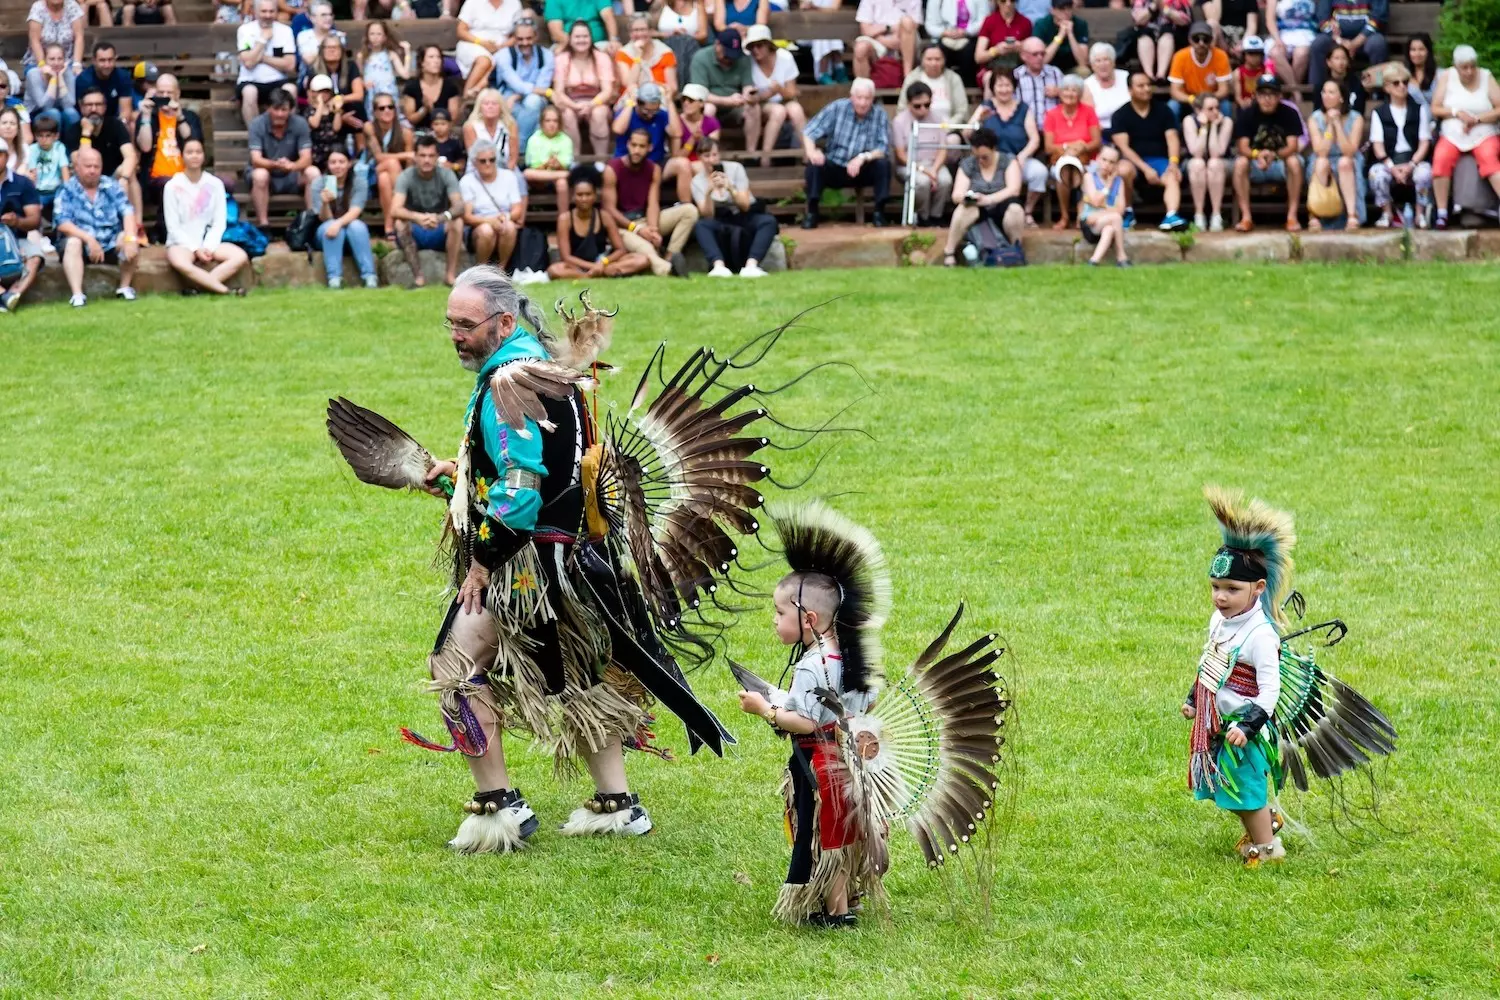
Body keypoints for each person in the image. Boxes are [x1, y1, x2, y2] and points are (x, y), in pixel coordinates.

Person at [733, 508, 883, 928]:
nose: (775, 620)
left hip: (818, 766)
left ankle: (836, 911)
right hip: (852, 763)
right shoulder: (853, 658)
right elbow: (862, 707)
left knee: (824, 834)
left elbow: (806, 723)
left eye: (780, 613)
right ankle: (849, 897)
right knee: (845, 830)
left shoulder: (810, 666)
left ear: (809, 619)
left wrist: (766, 709)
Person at [602, 128, 697, 276]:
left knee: (689, 211)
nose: (636, 150)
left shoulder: (654, 169)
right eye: (633, 145)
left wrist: (653, 230)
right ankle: (669, 270)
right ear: (627, 145)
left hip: (645, 220)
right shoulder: (613, 168)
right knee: (646, 249)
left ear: (649, 148)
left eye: (641, 146)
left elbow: (653, 203)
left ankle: (671, 257)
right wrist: (637, 229)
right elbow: (609, 209)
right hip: (622, 227)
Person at [800, 77, 891, 229]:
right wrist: (812, 152)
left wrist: (863, 157)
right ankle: (812, 213)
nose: (862, 103)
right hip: (835, 165)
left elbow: (883, 148)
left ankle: (879, 213)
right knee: (814, 165)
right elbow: (809, 131)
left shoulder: (879, 114)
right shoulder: (837, 108)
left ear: (872, 99)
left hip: (862, 169)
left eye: (867, 98)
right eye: (859, 98)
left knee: (883, 165)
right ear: (851, 96)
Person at [162, 137, 248, 297]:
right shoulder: (172, 186)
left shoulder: (215, 184)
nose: (194, 156)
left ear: (203, 155)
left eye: (198, 152)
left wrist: (207, 246)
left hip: (210, 241)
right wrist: (195, 248)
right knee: (181, 263)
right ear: (182, 155)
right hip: (181, 242)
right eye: (189, 152)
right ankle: (226, 291)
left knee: (239, 256)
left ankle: (199, 288)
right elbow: (173, 227)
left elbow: (219, 222)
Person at [54, 145, 137, 307]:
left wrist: (130, 237)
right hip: (81, 242)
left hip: (109, 240)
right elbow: (62, 222)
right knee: (73, 242)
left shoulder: (111, 185)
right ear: (77, 167)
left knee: (128, 237)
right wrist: (89, 239)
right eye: (87, 166)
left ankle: (124, 287)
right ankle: (77, 295)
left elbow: (127, 211)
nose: (92, 170)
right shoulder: (67, 189)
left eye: (96, 166)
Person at [1430, 46, 1500, 231]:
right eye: (1464, 67)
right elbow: (1435, 108)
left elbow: (1499, 108)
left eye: (1472, 66)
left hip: (1483, 131)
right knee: (1441, 158)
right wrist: (1456, 112)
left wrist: (1477, 119)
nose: (1469, 71)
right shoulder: (1447, 76)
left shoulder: (1486, 76)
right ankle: (1442, 213)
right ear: (1456, 66)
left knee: (1489, 159)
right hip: (1453, 133)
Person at [970, 68, 1048, 226]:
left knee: (1039, 172)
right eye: (1000, 86)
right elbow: (967, 134)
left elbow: (1034, 139)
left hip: (1019, 158)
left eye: (1007, 85)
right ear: (993, 88)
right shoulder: (986, 106)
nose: (1004, 90)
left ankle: (1027, 211)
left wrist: (1023, 156)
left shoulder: (1024, 109)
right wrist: (978, 120)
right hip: (992, 161)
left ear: (1014, 87)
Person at [1111, 71, 1187, 231]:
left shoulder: (1164, 110)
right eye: (1141, 86)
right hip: (1133, 161)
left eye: (1148, 85)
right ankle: (1127, 212)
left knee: (1172, 174)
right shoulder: (1120, 115)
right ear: (1130, 90)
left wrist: (1173, 162)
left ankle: (1171, 215)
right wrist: (1146, 169)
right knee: (1123, 170)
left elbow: (1172, 138)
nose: (1146, 89)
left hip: (1159, 159)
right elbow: (1124, 147)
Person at [691, 135, 775, 277]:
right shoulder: (697, 181)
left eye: (715, 154)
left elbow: (745, 205)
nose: (712, 159)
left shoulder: (735, 168)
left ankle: (751, 266)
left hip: (743, 214)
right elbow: (707, 215)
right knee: (701, 226)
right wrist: (709, 191)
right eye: (707, 156)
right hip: (720, 217)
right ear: (699, 158)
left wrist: (730, 188)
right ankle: (718, 267)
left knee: (768, 221)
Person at [136, 74, 204, 244]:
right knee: (169, 185)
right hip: (155, 180)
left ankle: (163, 231)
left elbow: (193, 143)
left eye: (169, 92)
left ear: (177, 94)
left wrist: (179, 117)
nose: (165, 96)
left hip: (187, 176)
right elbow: (144, 147)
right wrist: (144, 117)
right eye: (161, 92)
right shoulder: (148, 117)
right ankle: (168, 233)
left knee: (177, 184)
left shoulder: (189, 117)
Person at [64, 88, 141, 238]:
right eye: (89, 105)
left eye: (98, 104)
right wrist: (86, 133)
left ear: (105, 107)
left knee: (130, 173)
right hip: (88, 180)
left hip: (113, 178)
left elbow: (131, 156)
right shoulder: (74, 130)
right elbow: (79, 162)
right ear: (81, 107)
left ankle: (137, 227)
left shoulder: (116, 125)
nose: (94, 109)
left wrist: (124, 178)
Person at [549, 163, 650, 277]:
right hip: (577, 266)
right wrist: (592, 267)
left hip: (603, 263)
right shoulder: (565, 219)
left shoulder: (604, 216)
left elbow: (620, 249)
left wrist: (603, 263)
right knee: (555, 269)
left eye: (588, 194)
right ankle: (588, 276)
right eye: (580, 195)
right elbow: (565, 257)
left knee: (641, 259)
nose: (584, 199)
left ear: (595, 195)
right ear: (573, 196)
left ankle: (602, 273)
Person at [1232, 74, 1304, 231]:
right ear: (1256, 96)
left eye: (1272, 94)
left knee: (1295, 161)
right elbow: (1243, 147)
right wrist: (1258, 154)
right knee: (1240, 163)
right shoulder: (1247, 114)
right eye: (1263, 94)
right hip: (1255, 162)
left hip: (1281, 161)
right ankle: (1246, 217)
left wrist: (1274, 155)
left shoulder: (1289, 113)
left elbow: (1293, 146)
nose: (1267, 99)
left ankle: (1292, 217)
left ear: (1279, 96)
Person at [942, 127, 1023, 266]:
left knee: (1015, 210)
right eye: (977, 156)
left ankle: (1015, 250)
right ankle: (949, 252)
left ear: (994, 149)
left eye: (984, 157)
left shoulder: (1008, 160)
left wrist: (989, 199)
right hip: (977, 211)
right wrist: (969, 198)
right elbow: (956, 194)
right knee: (963, 210)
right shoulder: (968, 164)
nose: (980, 160)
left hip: (1001, 207)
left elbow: (1014, 189)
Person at [392, 133, 464, 287]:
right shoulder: (405, 176)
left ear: (437, 157)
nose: (426, 160)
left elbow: (459, 205)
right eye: (422, 155)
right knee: (399, 223)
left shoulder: (447, 174)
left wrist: (440, 218)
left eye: (431, 156)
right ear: (415, 157)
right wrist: (417, 217)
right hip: (415, 227)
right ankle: (418, 278)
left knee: (457, 223)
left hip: (439, 225)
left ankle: (450, 276)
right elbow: (395, 209)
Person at [1368, 64, 1433, 229]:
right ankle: (1387, 213)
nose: (1402, 86)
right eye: (1396, 83)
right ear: (1387, 87)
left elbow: (1424, 142)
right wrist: (1392, 167)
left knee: (1424, 173)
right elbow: (1378, 146)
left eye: (1405, 82)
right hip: (1390, 160)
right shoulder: (1379, 113)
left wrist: (1411, 165)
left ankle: (1420, 214)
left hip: (1413, 159)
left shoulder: (1419, 110)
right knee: (1377, 174)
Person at [247, 88, 318, 229]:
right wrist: (275, 164)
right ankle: (264, 224)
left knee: (313, 172)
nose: (280, 114)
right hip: (266, 173)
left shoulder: (300, 123)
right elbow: (256, 159)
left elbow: (307, 158)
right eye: (276, 109)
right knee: (260, 175)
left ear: (291, 110)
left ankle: (311, 222)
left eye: (284, 110)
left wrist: (292, 166)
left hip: (292, 173)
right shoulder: (257, 124)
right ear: (268, 108)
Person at [310, 147, 378, 288]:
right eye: (333, 162)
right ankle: (334, 279)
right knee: (332, 229)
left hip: (350, 226)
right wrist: (325, 203)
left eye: (341, 162)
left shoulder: (359, 182)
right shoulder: (319, 183)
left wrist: (338, 223)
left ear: (349, 164)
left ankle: (370, 276)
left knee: (357, 226)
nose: (337, 166)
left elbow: (355, 211)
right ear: (328, 165)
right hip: (325, 229)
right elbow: (324, 219)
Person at [890, 82, 955, 225]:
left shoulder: (937, 118)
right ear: (908, 104)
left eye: (927, 104)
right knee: (922, 182)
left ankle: (935, 216)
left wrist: (934, 169)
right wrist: (924, 170)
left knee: (945, 181)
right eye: (917, 106)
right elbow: (900, 155)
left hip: (934, 163)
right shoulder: (899, 121)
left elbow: (942, 148)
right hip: (911, 165)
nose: (923, 109)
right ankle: (922, 216)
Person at [689, 31, 762, 155]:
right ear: (717, 45)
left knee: (754, 108)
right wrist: (727, 101)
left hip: (735, 106)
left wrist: (749, 96)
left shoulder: (743, 59)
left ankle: (751, 154)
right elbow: (699, 93)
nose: (730, 59)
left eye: (733, 55)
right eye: (727, 55)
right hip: (711, 102)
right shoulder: (701, 58)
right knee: (708, 109)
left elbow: (747, 86)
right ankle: (708, 153)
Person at [1041, 73, 1098, 230]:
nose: (1070, 93)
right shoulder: (1051, 114)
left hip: (1087, 160)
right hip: (1060, 159)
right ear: (1059, 92)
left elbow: (1096, 142)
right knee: (1065, 170)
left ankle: (1082, 215)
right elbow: (1048, 146)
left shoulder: (1089, 112)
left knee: (1084, 173)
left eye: (1074, 90)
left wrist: (1082, 147)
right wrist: (1069, 148)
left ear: (1079, 94)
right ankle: (1065, 216)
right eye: (1066, 89)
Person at [554, 20, 617, 158]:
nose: (581, 40)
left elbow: (607, 91)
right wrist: (575, 106)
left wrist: (591, 105)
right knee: (567, 114)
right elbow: (558, 91)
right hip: (570, 102)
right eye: (577, 37)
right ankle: (575, 159)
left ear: (591, 38)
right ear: (570, 39)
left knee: (598, 114)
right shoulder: (562, 59)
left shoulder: (601, 57)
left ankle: (601, 159)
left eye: (585, 36)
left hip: (597, 101)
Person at [1305, 78, 1363, 229]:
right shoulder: (1315, 118)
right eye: (1324, 92)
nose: (1325, 96)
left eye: (1331, 92)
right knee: (1321, 163)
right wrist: (1330, 127)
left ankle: (1352, 215)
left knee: (1345, 162)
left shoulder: (1356, 118)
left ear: (1342, 97)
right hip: (1323, 157)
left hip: (1347, 159)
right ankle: (1316, 214)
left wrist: (1338, 124)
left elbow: (1349, 151)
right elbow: (1321, 151)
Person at [746, 24, 805, 169]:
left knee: (796, 109)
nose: (755, 50)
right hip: (760, 105)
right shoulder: (748, 62)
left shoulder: (785, 57)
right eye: (752, 46)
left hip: (784, 99)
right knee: (778, 111)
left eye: (759, 46)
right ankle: (766, 158)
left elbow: (792, 92)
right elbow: (750, 95)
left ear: (768, 45)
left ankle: (807, 154)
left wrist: (779, 89)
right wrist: (767, 95)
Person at [460, 138, 525, 269]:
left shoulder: (509, 177)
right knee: (486, 231)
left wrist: (505, 218)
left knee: (510, 227)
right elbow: (467, 216)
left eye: (492, 160)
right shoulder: (467, 181)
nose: (488, 164)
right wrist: (489, 221)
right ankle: (481, 269)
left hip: (503, 219)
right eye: (483, 161)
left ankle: (501, 269)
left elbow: (518, 209)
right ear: (474, 163)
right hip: (479, 224)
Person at [0, 138, 46, 314]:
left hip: (17, 238)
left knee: (36, 256)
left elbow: (35, 220)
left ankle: (13, 294)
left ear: (6, 156)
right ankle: (3, 295)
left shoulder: (23, 183)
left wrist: (17, 221)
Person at [494, 18, 553, 150]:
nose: (525, 43)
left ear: (536, 37)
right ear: (514, 38)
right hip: (506, 94)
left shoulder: (547, 55)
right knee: (529, 114)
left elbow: (542, 85)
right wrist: (517, 95)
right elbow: (516, 84)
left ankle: (519, 149)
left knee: (533, 102)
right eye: (520, 39)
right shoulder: (504, 55)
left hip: (528, 97)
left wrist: (517, 96)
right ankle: (528, 150)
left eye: (529, 38)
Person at [238, 0, 298, 128]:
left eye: (271, 11)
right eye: (264, 11)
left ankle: (288, 135)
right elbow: (248, 63)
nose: (268, 15)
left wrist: (261, 58)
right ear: (255, 12)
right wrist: (263, 40)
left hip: (278, 80)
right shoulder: (245, 30)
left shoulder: (285, 31)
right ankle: (255, 135)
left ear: (276, 12)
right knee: (249, 92)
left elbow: (290, 65)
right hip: (251, 80)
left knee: (291, 89)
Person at [363, 93, 413, 238]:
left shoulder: (405, 132)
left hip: (395, 177)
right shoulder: (369, 127)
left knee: (385, 179)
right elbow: (378, 157)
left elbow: (410, 164)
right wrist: (405, 155)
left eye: (390, 107)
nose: (387, 111)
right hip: (371, 172)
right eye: (382, 108)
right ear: (375, 112)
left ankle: (389, 225)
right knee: (391, 163)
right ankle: (400, 213)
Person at [1309, 0, 1387, 92]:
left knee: (1378, 44)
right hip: (1336, 38)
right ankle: (1317, 92)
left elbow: (1378, 18)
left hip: (1366, 37)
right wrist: (1339, 40)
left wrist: (1356, 42)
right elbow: (1322, 19)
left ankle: (1378, 91)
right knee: (1318, 44)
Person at [456, 0, 523, 99]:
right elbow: (461, 31)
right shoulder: (472, 2)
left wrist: (504, 45)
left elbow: (519, 32)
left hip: (503, 46)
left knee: (500, 61)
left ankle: (474, 92)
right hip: (473, 43)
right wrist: (482, 43)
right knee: (485, 61)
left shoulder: (514, 3)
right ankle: (467, 95)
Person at [1183, 92, 1231, 230]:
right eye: (1210, 109)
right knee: (1198, 164)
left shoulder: (1226, 122)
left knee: (1214, 163)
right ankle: (1199, 215)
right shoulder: (1189, 121)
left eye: (1217, 108)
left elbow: (1216, 153)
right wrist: (1204, 128)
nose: (1215, 112)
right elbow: (1196, 152)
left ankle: (1216, 215)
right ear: (1199, 110)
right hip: (1194, 163)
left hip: (1222, 163)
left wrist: (1214, 126)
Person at [1077, 144, 1128, 265]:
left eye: (1111, 162)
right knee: (1116, 218)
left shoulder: (1119, 182)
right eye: (1104, 160)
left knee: (1110, 228)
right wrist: (1108, 185)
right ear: (1098, 159)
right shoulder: (1089, 177)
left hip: (1103, 221)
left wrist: (1101, 211)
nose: (1107, 164)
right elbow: (1096, 201)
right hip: (1089, 225)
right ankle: (1121, 256)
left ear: (1116, 165)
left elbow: (1121, 209)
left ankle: (1093, 261)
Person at [897, 43, 969, 127]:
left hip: (948, 129)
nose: (933, 63)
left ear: (944, 60)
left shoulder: (953, 79)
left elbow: (962, 111)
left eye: (937, 59)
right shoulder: (912, 78)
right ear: (922, 60)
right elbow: (902, 108)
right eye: (929, 59)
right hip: (918, 129)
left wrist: (946, 127)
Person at [615, 12, 679, 102]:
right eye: (635, 30)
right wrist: (638, 56)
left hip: (660, 100)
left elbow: (673, 87)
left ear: (651, 31)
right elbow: (628, 83)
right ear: (630, 33)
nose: (639, 34)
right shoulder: (623, 53)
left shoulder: (665, 52)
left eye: (643, 29)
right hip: (632, 101)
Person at [924, 0, 990, 85]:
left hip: (970, 36)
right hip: (944, 36)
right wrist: (944, 32)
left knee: (970, 52)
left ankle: (968, 87)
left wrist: (966, 31)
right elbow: (930, 25)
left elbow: (984, 20)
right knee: (938, 52)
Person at [356, 21, 412, 121]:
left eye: (379, 34)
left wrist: (407, 53)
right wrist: (364, 83)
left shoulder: (391, 55)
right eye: (372, 34)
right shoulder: (362, 56)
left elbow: (405, 75)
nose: (375, 37)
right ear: (367, 36)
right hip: (372, 95)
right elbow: (359, 77)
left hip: (389, 93)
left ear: (385, 37)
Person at [611, 82, 677, 165]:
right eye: (646, 110)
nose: (650, 115)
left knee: (681, 164)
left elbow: (676, 133)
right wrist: (631, 101)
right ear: (638, 104)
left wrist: (669, 101)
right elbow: (618, 129)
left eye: (654, 110)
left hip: (655, 163)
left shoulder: (661, 115)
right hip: (627, 163)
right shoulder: (626, 113)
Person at [853, 0, 921, 81]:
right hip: (877, 40)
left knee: (907, 22)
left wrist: (901, 37)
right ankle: (863, 88)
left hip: (905, 40)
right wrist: (888, 29)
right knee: (861, 48)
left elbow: (914, 26)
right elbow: (866, 30)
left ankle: (907, 78)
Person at [1169, 21, 1232, 107]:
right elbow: (1175, 91)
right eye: (1196, 39)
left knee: (1226, 105)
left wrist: (1207, 100)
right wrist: (1192, 99)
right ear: (1190, 40)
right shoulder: (1180, 56)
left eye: (1205, 39)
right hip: (1188, 99)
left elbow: (1223, 90)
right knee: (1173, 105)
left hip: (1212, 99)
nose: (1201, 43)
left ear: (1211, 40)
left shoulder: (1221, 56)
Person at [402, 44, 462, 131]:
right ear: (422, 62)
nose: (436, 61)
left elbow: (453, 118)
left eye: (438, 57)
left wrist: (433, 111)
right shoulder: (412, 87)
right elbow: (411, 119)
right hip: (420, 133)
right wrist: (424, 109)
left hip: (444, 133)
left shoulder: (450, 87)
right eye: (431, 57)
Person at [523, 103, 573, 208]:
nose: (552, 124)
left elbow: (566, 165)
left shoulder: (566, 140)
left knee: (562, 183)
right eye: (548, 121)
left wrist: (557, 164)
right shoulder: (534, 139)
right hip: (537, 180)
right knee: (528, 173)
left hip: (557, 178)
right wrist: (546, 165)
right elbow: (532, 166)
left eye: (555, 121)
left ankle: (563, 218)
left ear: (559, 123)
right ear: (542, 123)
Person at [1130, 0, 1189, 85]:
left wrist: (1166, 10)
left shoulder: (1178, 1)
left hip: (1172, 37)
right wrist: (1153, 7)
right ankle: (1149, 76)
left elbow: (1185, 21)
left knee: (1167, 36)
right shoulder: (1141, 1)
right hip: (1147, 36)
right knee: (1144, 38)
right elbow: (1138, 20)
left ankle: (1161, 76)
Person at [73, 41, 133, 124]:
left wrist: (121, 125)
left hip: (114, 120)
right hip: (90, 119)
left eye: (110, 60)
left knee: (130, 124)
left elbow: (125, 111)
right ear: (94, 61)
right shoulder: (83, 79)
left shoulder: (123, 77)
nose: (107, 65)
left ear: (115, 59)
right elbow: (83, 110)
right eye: (102, 60)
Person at [23, 111, 69, 215]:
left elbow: (64, 169)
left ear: (56, 136)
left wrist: (67, 190)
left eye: (48, 136)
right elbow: (32, 172)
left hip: (56, 190)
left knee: (62, 208)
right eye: (40, 136)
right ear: (35, 136)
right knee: (34, 209)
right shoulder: (32, 149)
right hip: (39, 191)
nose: (44, 140)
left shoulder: (59, 147)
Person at [1013, 37, 1063, 135]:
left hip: (1054, 131)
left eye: (1042, 54)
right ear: (1023, 56)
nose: (1040, 57)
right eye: (1035, 54)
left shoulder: (1055, 73)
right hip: (1024, 131)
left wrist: (1060, 92)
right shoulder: (1015, 76)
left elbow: (1073, 99)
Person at [303, 73, 350, 174]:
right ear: (313, 92)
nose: (323, 94)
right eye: (320, 91)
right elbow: (314, 124)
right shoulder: (309, 110)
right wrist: (320, 104)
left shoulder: (332, 109)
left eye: (326, 91)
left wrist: (337, 110)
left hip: (332, 150)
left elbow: (336, 128)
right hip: (316, 151)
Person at [464, 88, 520, 172]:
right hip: (478, 171)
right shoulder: (470, 127)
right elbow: (474, 158)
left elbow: (513, 158)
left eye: (494, 104)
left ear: (501, 107)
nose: (490, 107)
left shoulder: (511, 125)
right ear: (480, 107)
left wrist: (506, 176)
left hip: (507, 170)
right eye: (486, 104)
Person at [24, 44, 78, 132]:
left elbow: (69, 104)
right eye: (52, 59)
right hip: (35, 113)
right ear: (45, 60)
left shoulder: (67, 73)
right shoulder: (33, 74)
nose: (56, 63)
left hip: (59, 110)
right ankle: (54, 145)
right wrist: (53, 79)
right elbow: (45, 106)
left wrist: (60, 78)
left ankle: (72, 145)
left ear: (64, 60)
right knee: (54, 113)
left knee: (71, 113)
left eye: (60, 59)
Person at [974, 0, 1031, 81]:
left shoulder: (1025, 22)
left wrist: (1021, 47)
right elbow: (978, 57)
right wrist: (996, 50)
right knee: (988, 79)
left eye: (1012, 0)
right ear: (997, 1)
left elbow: (1033, 54)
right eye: (1003, 0)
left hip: (1018, 68)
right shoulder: (989, 21)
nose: (1008, 3)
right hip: (992, 68)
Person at [25, 0, 85, 75]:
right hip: (39, 61)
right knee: (36, 76)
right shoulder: (38, 7)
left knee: (75, 77)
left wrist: (77, 64)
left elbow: (79, 36)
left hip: (67, 61)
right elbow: (34, 40)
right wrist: (42, 65)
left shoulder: (72, 5)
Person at [1032, 0, 1089, 75]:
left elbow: (1083, 62)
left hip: (1072, 68)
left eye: (1069, 8)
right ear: (1052, 10)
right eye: (1061, 9)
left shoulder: (1080, 24)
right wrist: (1060, 36)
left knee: (1084, 71)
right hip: (1048, 69)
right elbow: (1042, 60)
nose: (1066, 12)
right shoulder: (1041, 25)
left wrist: (1070, 34)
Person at [1081, 42, 1128, 132]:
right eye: (1098, 61)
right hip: (1102, 132)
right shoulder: (1087, 85)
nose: (1102, 64)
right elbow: (1090, 119)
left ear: (1113, 62)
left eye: (1106, 59)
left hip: (1130, 130)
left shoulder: (1126, 77)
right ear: (1092, 66)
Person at [1267, 0, 1315, 86]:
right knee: (1276, 53)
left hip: (1305, 33)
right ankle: (1296, 94)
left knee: (1301, 54)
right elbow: (1270, 20)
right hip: (1282, 34)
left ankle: (1292, 93)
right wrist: (1277, 39)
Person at [658, 0, 710, 73]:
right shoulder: (662, 3)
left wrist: (685, 36)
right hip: (664, 49)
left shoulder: (698, 5)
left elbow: (703, 35)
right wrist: (669, 34)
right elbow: (649, 31)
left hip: (690, 50)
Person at [543, 0, 617, 50]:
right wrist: (581, 44)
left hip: (598, 44)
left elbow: (609, 17)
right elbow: (556, 33)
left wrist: (613, 40)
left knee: (614, 50)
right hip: (567, 44)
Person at [295, 2, 344, 66]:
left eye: (330, 14)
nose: (328, 18)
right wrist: (330, 51)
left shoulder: (339, 35)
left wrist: (316, 54)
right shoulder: (304, 36)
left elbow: (338, 58)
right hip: (310, 74)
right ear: (313, 18)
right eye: (324, 15)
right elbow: (309, 60)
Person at [1233, 34, 1268, 111]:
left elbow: (1268, 91)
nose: (1254, 57)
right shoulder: (1238, 72)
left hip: (1263, 105)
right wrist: (1243, 104)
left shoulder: (1266, 71)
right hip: (1245, 107)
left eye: (1257, 53)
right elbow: (1238, 97)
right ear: (1244, 54)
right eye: (1250, 53)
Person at [432, 108, 467, 175]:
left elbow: (462, 163)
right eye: (436, 124)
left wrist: (452, 166)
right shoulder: (429, 142)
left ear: (450, 125)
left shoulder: (455, 143)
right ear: (431, 125)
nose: (439, 127)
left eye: (443, 124)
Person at [1404, 32, 1435, 106]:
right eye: (1413, 50)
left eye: (1421, 49)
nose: (1417, 54)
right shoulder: (1403, 73)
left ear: (1428, 51)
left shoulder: (1439, 75)